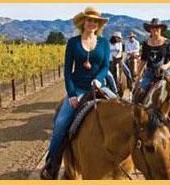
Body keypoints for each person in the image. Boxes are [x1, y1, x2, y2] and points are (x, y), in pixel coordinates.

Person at [40, 6, 116, 180]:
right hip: (79, 89)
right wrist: (72, 94)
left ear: (98, 24)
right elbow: (67, 71)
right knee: (60, 124)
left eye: (95, 21)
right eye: (89, 20)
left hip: (99, 87)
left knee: (122, 110)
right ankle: (52, 164)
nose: (92, 23)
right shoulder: (73, 43)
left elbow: (105, 66)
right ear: (83, 22)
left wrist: (99, 79)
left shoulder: (104, 43)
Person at [133, 18, 170, 104]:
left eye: (157, 28)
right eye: (153, 28)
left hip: (165, 73)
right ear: (150, 30)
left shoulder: (167, 43)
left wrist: (165, 66)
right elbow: (143, 60)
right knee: (140, 92)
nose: (155, 30)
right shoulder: (146, 43)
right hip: (150, 73)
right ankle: (136, 111)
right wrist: (138, 75)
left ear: (161, 30)